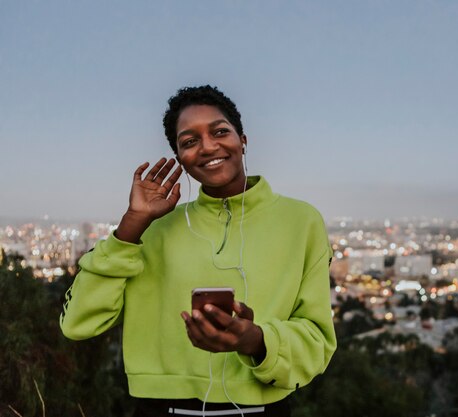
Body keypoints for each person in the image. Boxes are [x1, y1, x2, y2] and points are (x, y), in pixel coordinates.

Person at [60, 85, 337, 417]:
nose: (208, 147)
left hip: (265, 407)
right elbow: (77, 324)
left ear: (243, 140)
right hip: (158, 409)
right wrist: (132, 224)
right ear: (180, 159)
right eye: (189, 141)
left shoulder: (300, 221)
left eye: (220, 131)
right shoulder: (151, 229)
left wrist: (256, 340)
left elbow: (318, 340)